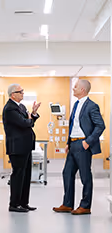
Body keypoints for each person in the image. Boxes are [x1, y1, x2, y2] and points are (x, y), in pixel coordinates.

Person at [53, 79, 105, 215]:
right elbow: (73, 126)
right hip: (73, 144)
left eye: (75, 87)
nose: (73, 89)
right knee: (67, 173)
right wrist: (68, 143)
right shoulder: (76, 105)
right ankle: (67, 204)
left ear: (82, 90)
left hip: (83, 144)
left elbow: (100, 125)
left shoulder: (92, 106)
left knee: (85, 176)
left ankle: (85, 206)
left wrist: (88, 141)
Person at [2, 84, 41, 213]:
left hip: (26, 146)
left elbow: (29, 121)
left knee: (26, 175)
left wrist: (33, 113)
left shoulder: (21, 107)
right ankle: (14, 204)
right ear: (13, 94)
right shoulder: (9, 109)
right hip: (17, 147)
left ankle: (24, 203)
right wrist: (30, 120)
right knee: (18, 175)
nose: (23, 93)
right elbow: (25, 123)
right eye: (21, 92)